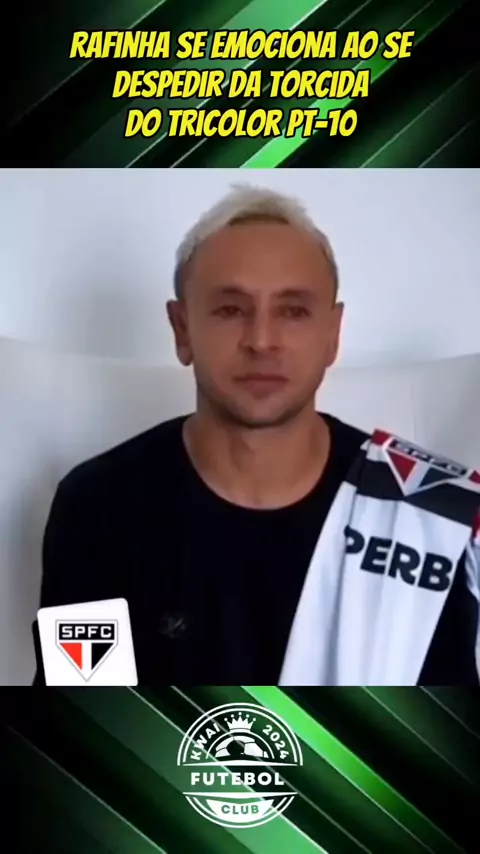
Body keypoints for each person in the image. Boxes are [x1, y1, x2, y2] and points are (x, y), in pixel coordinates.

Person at [35, 184, 480, 686]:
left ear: (333, 334)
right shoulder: (96, 506)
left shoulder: (425, 518)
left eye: (293, 311)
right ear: (182, 329)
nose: (262, 341)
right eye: (230, 309)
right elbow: (83, 716)